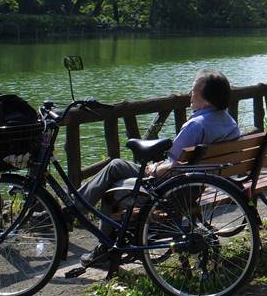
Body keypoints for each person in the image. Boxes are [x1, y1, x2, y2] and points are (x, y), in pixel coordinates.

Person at [72, 69, 240, 265]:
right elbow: (180, 161)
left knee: (112, 183)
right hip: (197, 186)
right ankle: (76, 212)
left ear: (207, 99)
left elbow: (173, 165)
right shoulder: (228, 121)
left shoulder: (197, 125)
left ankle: (97, 241)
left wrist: (153, 169)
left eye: (194, 89)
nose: (190, 93)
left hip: (171, 189)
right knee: (116, 166)